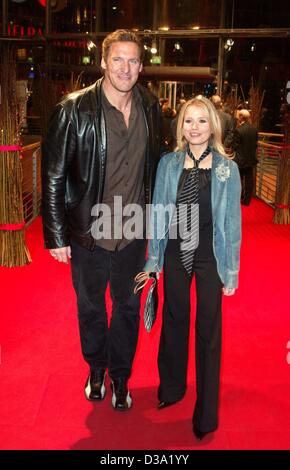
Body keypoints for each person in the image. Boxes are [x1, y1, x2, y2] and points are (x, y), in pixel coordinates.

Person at [41, 29, 161, 411]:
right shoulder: (73, 110)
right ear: (104, 62)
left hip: (133, 232)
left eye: (132, 61)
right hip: (89, 233)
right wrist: (56, 235)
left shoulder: (151, 107)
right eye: (118, 59)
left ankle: (121, 375)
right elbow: (54, 175)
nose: (125, 68)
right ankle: (96, 368)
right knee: (90, 305)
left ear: (141, 66)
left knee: (126, 308)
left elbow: (156, 169)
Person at [140, 96, 241, 439]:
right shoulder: (168, 164)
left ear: (213, 125)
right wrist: (153, 261)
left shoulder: (228, 169)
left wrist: (231, 271)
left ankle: (206, 415)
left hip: (210, 254)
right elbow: (158, 214)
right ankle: (171, 388)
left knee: (209, 329)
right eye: (188, 121)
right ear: (179, 125)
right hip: (175, 250)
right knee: (175, 317)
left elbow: (231, 224)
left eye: (201, 121)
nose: (194, 127)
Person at [232, 109, 258, 205]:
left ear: (241, 117)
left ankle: (239, 197)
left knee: (238, 179)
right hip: (250, 159)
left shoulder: (238, 130)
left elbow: (235, 146)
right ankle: (247, 200)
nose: (237, 118)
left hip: (240, 159)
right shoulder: (254, 129)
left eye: (238, 116)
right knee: (249, 180)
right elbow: (255, 145)